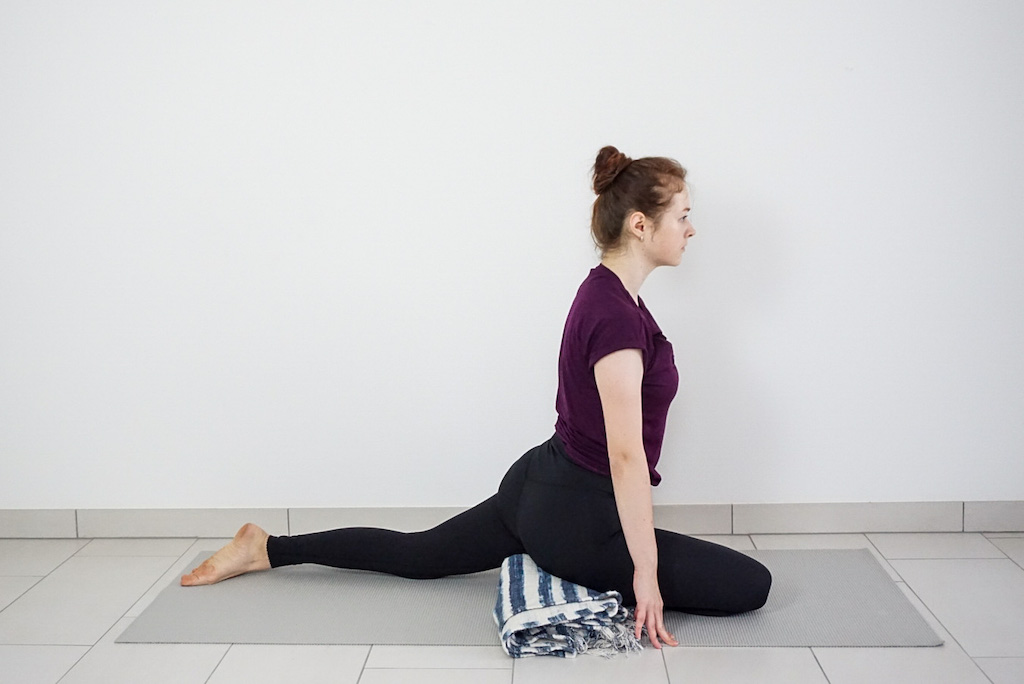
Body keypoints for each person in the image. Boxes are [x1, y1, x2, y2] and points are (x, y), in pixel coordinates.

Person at [181, 145, 772, 649]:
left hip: (538, 487)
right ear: (641, 224)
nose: (691, 229)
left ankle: (266, 547)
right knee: (752, 585)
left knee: (418, 555)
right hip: (577, 520)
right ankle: (552, 561)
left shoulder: (607, 294)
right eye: (684, 216)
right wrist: (645, 572)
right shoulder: (616, 317)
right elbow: (625, 457)